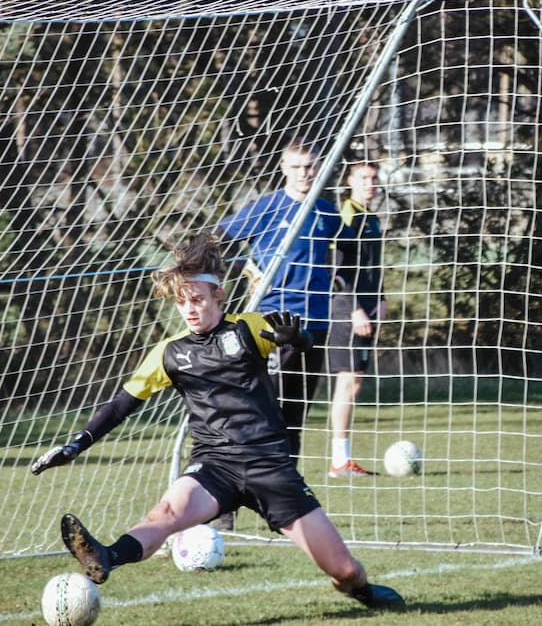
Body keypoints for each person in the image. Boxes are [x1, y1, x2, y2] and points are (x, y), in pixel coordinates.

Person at [30, 231, 404, 611]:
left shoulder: (248, 328)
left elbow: (302, 346)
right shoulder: (170, 353)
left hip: (270, 467)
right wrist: (77, 444)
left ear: (218, 296)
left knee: (345, 571)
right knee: (166, 513)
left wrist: (300, 339)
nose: (189, 310)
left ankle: (362, 590)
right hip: (214, 466)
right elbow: (121, 405)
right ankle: (107, 557)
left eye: (197, 300)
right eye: (182, 302)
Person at [218, 138, 348, 462]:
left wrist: (339, 277)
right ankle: (250, 474)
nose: (304, 173)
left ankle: (289, 480)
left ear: (319, 167)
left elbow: (347, 248)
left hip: (316, 320)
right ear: (283, 168)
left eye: (310, 166)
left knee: (297, 410)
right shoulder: (267, 207)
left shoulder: (326, 211)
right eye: (297, 166)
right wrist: (247, 269)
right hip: (274, 319)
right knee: (267, 407)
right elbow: (219, 239)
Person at [326, 161, 387, 478]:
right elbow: (337, 271)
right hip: (347, 310)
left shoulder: (371, 218)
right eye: (363, 177)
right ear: (349, 180)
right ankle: (339, 461)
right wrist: (353, 308)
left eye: (374, 178)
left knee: (355, 381)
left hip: (367, 308)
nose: (370, 183)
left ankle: (343, 459)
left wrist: (381, 298)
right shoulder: (347, 216)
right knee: (348, 382)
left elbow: (372, 266)